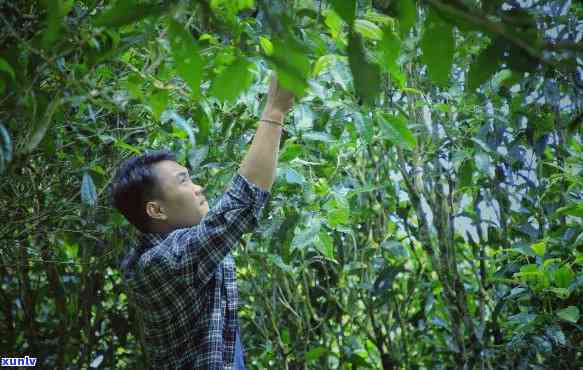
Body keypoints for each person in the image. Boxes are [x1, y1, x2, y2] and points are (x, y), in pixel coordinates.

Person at [111, 75, 294, 369]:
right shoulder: (157, 264)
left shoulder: (186, 250)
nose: (198, 188)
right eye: (184, 181)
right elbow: (239, 205)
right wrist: (275, 110)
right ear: (156, 210)